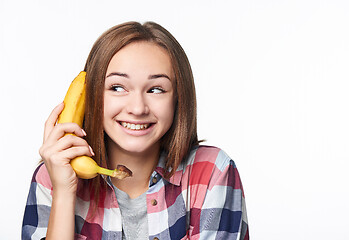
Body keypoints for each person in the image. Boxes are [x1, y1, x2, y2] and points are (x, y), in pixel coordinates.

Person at [22, 21, 249, 240]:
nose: (137, 108)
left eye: (156, 89)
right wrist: (63, 193)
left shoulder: (212, 172)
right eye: (117, 87)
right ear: (91, 96)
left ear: (178, 98)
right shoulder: (51, 177)